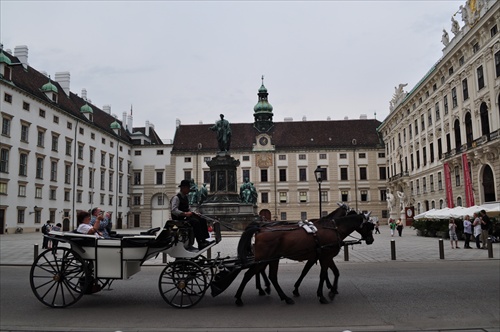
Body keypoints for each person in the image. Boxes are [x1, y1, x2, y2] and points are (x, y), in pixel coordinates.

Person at [171, 179, 213, 250]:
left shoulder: (186, 197)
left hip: (186, 218)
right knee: (195, 222)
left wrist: (194, 213)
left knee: (202, 220)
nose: (189, 190)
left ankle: (204, 240)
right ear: (183, 188)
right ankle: (200, 243)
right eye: (188, 188)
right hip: (180, 220)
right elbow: (174, 210)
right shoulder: (176, 198)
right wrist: (185, 213)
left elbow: (188, 208)